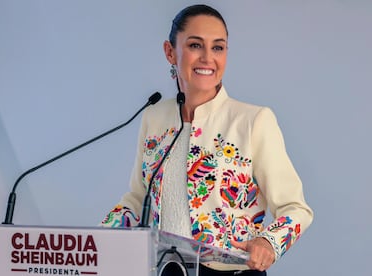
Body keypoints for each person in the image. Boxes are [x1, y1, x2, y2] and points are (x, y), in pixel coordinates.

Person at [100, 4, 313, 276]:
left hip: (232, 273)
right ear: (170, 52)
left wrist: (268, 242)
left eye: (218, 47)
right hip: (166, 270)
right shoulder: (154, 118)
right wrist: (94, 242)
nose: (207, 58)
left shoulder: (253, 121)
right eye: (195, 45)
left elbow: (295, 207)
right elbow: (137, 198)